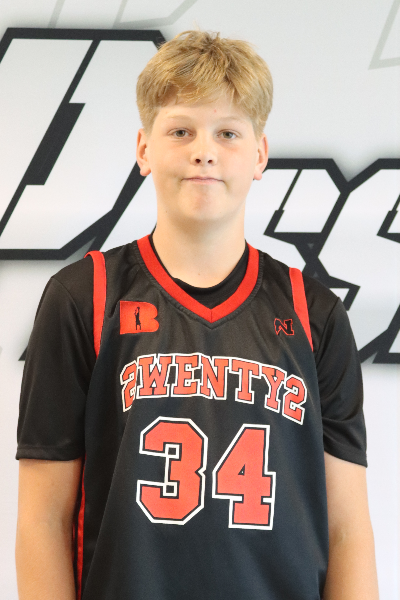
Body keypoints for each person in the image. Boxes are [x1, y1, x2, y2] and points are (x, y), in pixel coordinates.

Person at [15, 29, 379, 600]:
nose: (203, 151)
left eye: (227, 133)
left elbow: (347, 528)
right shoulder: (84, 296)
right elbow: (42, 518)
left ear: (259, 155)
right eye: (180, 130)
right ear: (144, 149)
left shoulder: (315, 314)